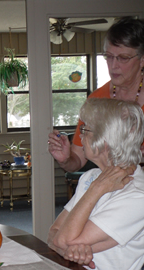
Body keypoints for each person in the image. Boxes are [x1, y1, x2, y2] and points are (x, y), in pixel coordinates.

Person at [48, 98, 144, 270]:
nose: (79, 137)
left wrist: (97, 189)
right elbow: (52, 236)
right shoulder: (90, 177)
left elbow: (63, 239)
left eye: (85, 129)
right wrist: (67, 247)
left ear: (106, 140)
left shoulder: (137, 196)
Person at [48, 17, 144, 172]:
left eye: (123, 58)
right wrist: (65, 159)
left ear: (142, 60)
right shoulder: (96, 101)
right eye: (109, 56)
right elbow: (78, 160)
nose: (113, 65)